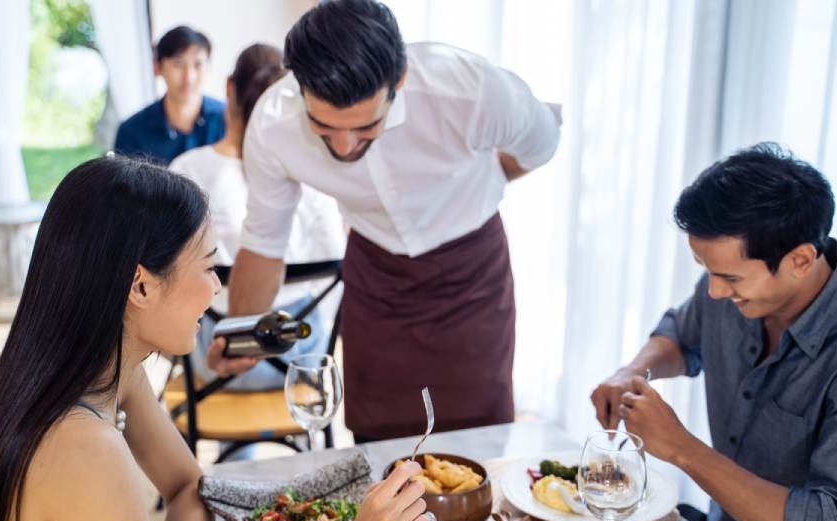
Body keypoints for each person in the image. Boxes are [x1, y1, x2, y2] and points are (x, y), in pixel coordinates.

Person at [0, 156, 428, 521]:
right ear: (140, 286)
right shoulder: (83, 446)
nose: (216, 288)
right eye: (207, 267)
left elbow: (189, 487)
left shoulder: (99, 373)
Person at [209, 0, 561, 441]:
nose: (344, 146)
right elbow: (263, 242)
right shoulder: (273, 124)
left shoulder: (470, 88)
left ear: (401, 80)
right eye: (323, 126)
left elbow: (542, 142)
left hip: (470, 274)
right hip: (378, 275)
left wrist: (480, 181)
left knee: (477, 438)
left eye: (365, 126)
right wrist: (242, 336)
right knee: (380, 437)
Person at [590, 143, 837, 521]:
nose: (714, 292)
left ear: (799, 260)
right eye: (706, 270)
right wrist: (631, 371)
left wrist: (682, 449)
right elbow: (682, 334)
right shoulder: (736, 290)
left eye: (731, 279)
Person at [170, 43, 345, 390]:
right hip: (298, 358)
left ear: (229, 88)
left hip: (218, 360)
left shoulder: (187, 172)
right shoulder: (314, 177)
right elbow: (335, 270)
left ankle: (232, 445)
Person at [114, 26, 226, 165]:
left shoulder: (229, 119)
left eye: (198, 65)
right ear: (158, 67)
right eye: (178, 64)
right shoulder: (131, 132)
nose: (189, 77)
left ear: (209, 67)